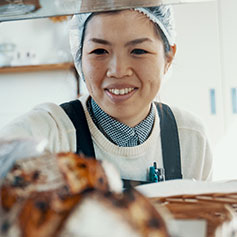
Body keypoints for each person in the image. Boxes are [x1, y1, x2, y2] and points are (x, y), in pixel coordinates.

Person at [0, 5, 213, 183]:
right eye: (99, 51)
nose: (118, 70)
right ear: (79, 57)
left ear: (168, 57)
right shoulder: (50, 134)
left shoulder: (190, 138)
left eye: (138, 51)